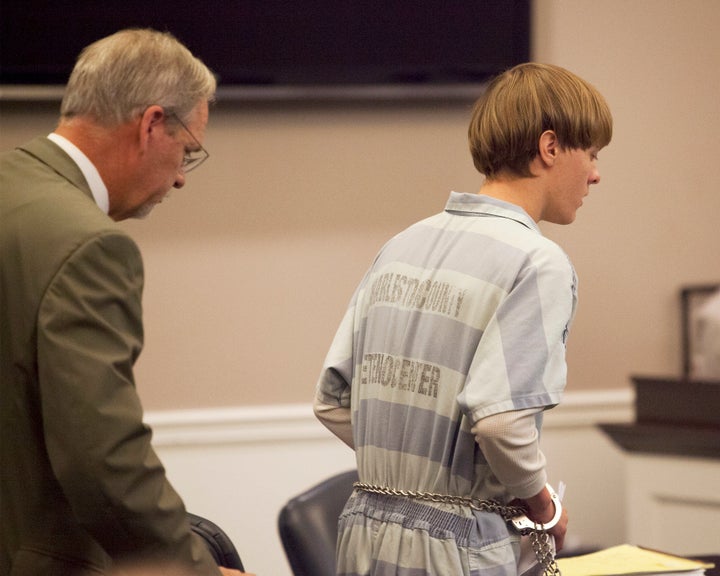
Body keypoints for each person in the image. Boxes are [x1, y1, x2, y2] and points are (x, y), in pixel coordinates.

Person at [314, 62, 612, 576]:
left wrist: (411, 465)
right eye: (592, 153)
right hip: (458, 550)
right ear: (550, 147)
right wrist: (544, 506)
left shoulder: (401, 246)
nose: (595, 174)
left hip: (361, 536)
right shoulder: (537, 262)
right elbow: (500, 422)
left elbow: (332, 400)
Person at [0, 29, 252, 576]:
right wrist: (195, 571)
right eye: (187, 150)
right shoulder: (91, 245)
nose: (182, 177)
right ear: (151, 123)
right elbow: (103, 461)